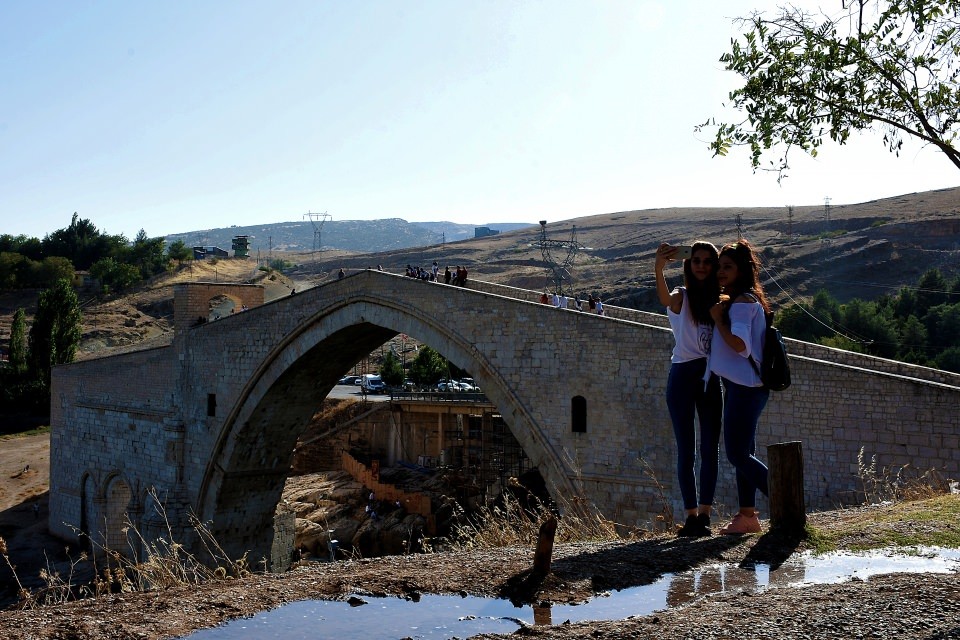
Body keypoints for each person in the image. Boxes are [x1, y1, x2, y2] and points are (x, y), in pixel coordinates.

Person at [655, 241, 722, 537]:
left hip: (710, 376)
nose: (701, 266)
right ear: (688, 264)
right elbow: (663, 298)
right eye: (696, 261)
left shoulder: (718, 300)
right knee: (687, 450)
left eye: (707, 261)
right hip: (683, 375)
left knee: (710, 449)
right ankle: (691, 515)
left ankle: (705, 514)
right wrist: (658, 268)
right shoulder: (681, 296)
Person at [709, 239, 771, 535]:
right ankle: (747, 516)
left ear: (742, 271)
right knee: (744, 451)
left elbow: (741, 346)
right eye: (719, 266)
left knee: (737, 454)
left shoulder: (744, 303)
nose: (721, 271)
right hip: (742, 386)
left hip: (746, 387)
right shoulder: (741, 299)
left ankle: (785, 497)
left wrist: (720, 320)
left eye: (728, 267)